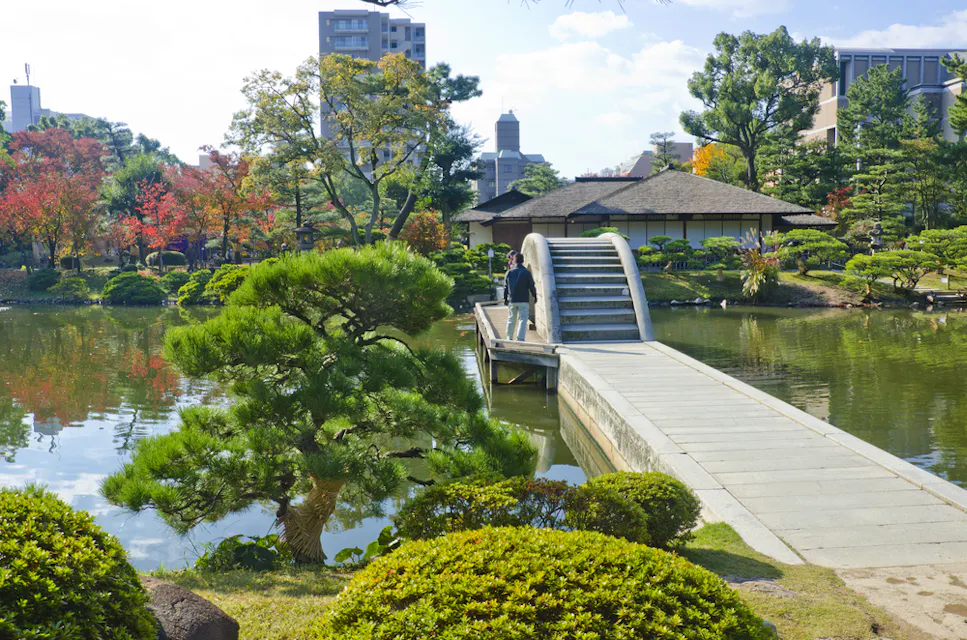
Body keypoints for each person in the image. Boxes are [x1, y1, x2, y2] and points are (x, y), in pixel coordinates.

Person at [504, 252, 537, 341]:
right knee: (523, 319)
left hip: (512, 299)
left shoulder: (509, 272)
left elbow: (506, 287)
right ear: (523, 261)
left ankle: (509, 337)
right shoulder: (527, 272)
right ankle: (520, 338)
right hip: (523, 300)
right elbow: (531, 286)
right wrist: (535, 296)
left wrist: (505, 299)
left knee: (511, 319)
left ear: (514, 261)